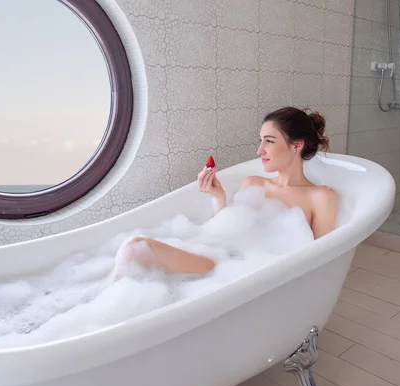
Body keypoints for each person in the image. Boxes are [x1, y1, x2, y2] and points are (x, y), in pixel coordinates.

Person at [115, 106, 337, 275]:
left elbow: (319, 263)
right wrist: (218, 197)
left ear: (296, 145)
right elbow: (223, 232)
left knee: (135, 249)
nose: (260, 150)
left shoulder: (321, 197)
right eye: (260, 141)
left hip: (244, 270)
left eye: (269, 141)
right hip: (220, 257)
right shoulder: (253, 184)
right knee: (133, 248)